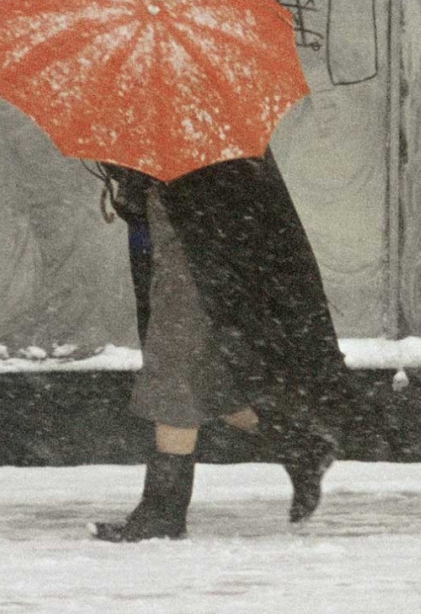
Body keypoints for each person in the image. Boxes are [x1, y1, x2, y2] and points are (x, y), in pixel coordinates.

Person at [89, 151, 356, 542]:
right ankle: (300, 444)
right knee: (212, 382)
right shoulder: (186, 125)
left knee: (174, 378)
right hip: (185, 253)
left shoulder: (202, 133)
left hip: (197, 258)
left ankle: (163, 510)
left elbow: (216, 201)